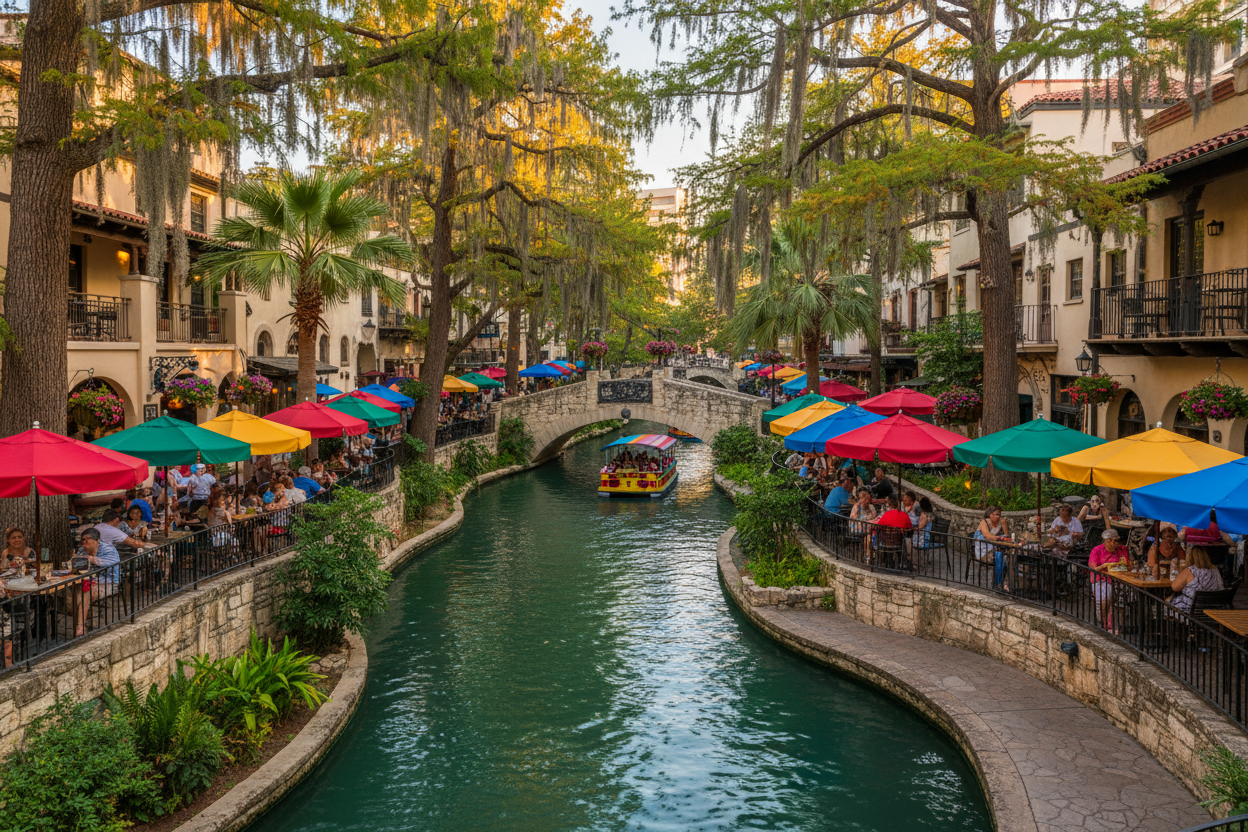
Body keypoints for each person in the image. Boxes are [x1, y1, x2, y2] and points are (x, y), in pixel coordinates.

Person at [77, 527, 121, 635]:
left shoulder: (108, 549)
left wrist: (92, 559)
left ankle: (80, 626)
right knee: (74, 590)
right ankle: (82, 618)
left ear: (96, 541)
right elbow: (77, 563)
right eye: (82, 539)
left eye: (87, 539)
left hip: (108, 582)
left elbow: (112, 562)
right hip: (89, 579)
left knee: (87, 592)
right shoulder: (83, 550)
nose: (84, 542)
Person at [1089, 528, 1128, 632]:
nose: (1116, 544)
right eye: (1114, 541)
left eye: (1117, 541)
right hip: (1101, 578)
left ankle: (1119, 625)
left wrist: (1123, 564)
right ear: (1107, 541)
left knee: (1128, 595)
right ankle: (1101, 621)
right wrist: (1105, 565)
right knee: (1105, 597)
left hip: (1119, 578)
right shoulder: (1097, 550)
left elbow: (1128, 566)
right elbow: (1093, 569)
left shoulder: (1122, 549)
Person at [1169, 545, 1225, 613]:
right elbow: (1221, 588)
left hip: (1190, 610)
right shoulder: (1215, 569)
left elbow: (1175, 587)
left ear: (1190, 557)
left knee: (1168, 601)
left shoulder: (1190, 571)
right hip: (1212, 608)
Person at [974, 506, 1011, 590]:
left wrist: (1004, 525)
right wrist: (1000, 538)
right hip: (984, 551)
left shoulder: (1002, 522)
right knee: (1002, 557)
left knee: (1011, 557)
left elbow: (1006, 535)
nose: (996, 516)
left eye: (998, 514)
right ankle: (999, 583)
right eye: (993, 514)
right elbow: (988, 536)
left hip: (996, 548)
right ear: (989, 515)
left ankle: (1006, 583)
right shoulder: (984, 522)